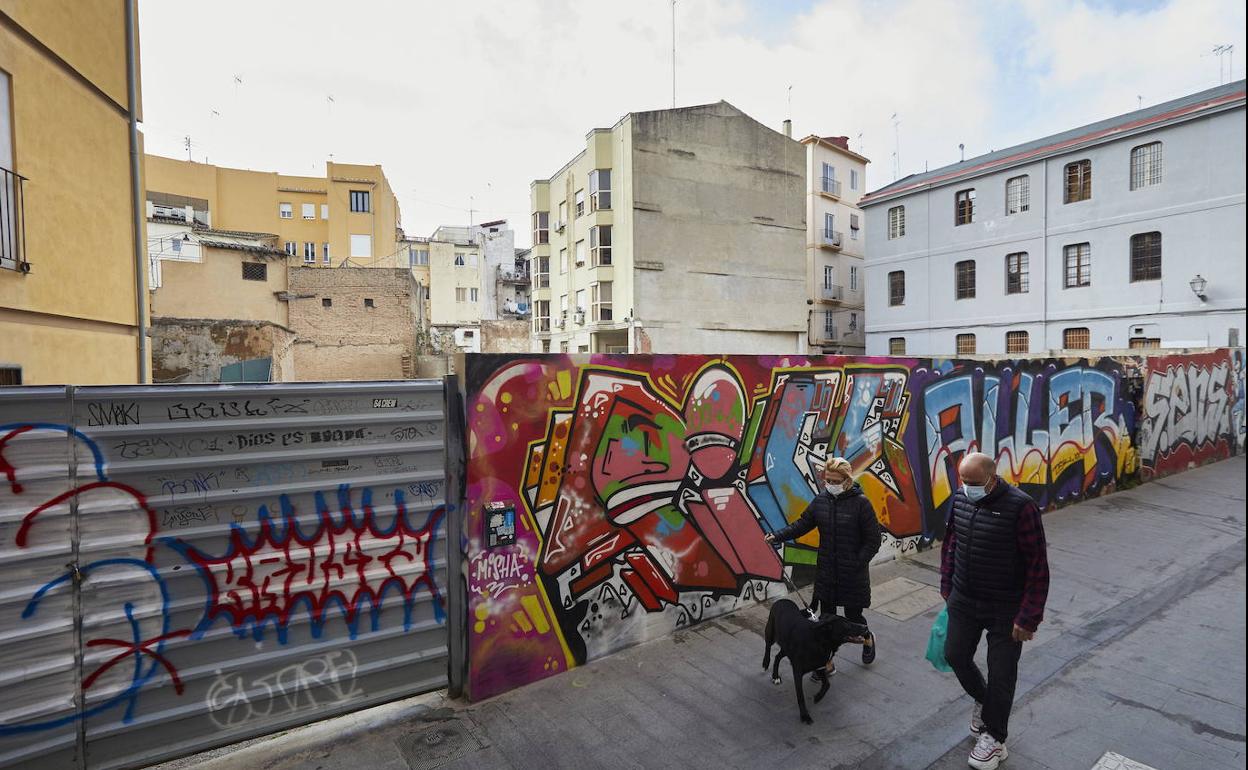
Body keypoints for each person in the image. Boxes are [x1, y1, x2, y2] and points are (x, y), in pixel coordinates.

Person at [940, 452, 1050, 770]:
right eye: (963, 481)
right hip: (964, 598)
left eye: (974, 483)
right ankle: (984, 701)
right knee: (955, 655)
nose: (967, 488)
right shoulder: (961, 498)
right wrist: (948, 585)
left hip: (1006, 607)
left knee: (1002, 672)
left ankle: (995, 737)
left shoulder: (1021, 507)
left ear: (992, 477)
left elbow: (1037, 565)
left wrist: (1029, 616)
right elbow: (951, 544)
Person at [764, 456, 882, 673]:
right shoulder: (821, 501)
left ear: (847, 480)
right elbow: (802, 524)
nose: (831, 485)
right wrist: (777, 536)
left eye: (836, 481)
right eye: (828, 480)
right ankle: (827, 664)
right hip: (827, 571)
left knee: (853, 617)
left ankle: (867, 637)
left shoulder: (861, 504)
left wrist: (857, 562)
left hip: (852, 574)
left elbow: (874, 540)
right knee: (827, 621)